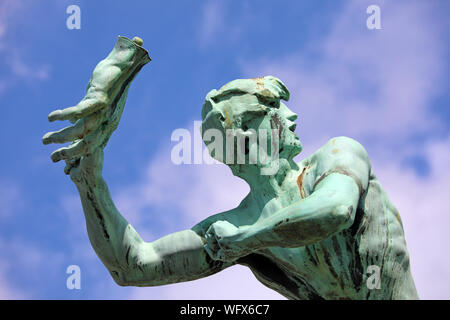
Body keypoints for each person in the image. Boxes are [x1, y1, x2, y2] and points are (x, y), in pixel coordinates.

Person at [43, 36, 418, 299]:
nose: (291, 115)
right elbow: (133, 266)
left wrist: (247, 240)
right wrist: (91, 177)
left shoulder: (338, 155)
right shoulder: (234, 227)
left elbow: (336, 209)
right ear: (241, 136)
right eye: (273, 110)